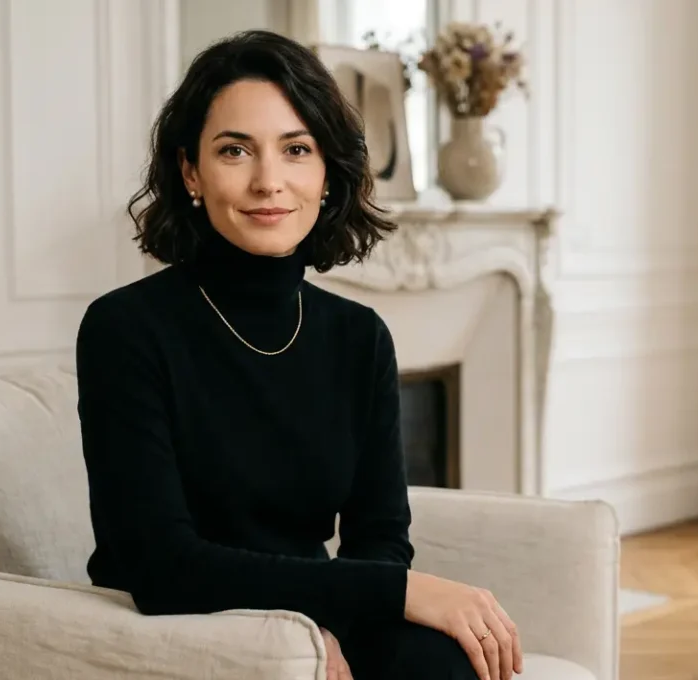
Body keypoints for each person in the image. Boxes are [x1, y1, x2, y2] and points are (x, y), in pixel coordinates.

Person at [73, 30, 522, 680]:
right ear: (190, 171)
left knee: (449, 663)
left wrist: (324, 628)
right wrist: (380, 602)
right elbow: (162, 566)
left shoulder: (359, 337)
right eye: (235, 151)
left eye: (296, 150)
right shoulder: (125, 329)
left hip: (314, 616)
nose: (268, 181)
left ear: (325, 173)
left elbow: (380, 537)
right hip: (183, 633)